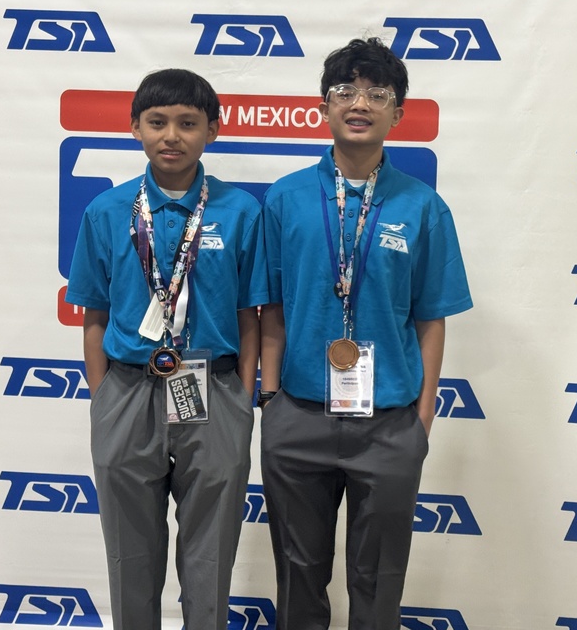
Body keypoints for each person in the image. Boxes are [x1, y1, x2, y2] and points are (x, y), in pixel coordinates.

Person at [258, 37, 473, 630]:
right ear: (323, 107)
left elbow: (431, 317)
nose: (360, 103)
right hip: (298, 413)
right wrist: (272, 400)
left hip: (389, 421)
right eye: (345, 91)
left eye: (378, 93)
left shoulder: (423, 206)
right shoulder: (285, 199)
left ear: (398, 113)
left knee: (379, 579)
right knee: (298, 571)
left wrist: (423, 414)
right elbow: (270, 308)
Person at [65, 68, 267, 630]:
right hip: (128, 390)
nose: (171, 135)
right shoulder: (108, 211)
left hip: (214, 387)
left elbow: (252, 317)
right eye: (157, 122)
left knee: (211, 549)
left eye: (187, 123)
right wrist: (103, 396)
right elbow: (94, 315)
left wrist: (243, 397)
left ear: (214, 132)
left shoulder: (241, 211)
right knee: (130, 550)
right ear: (135, 129)